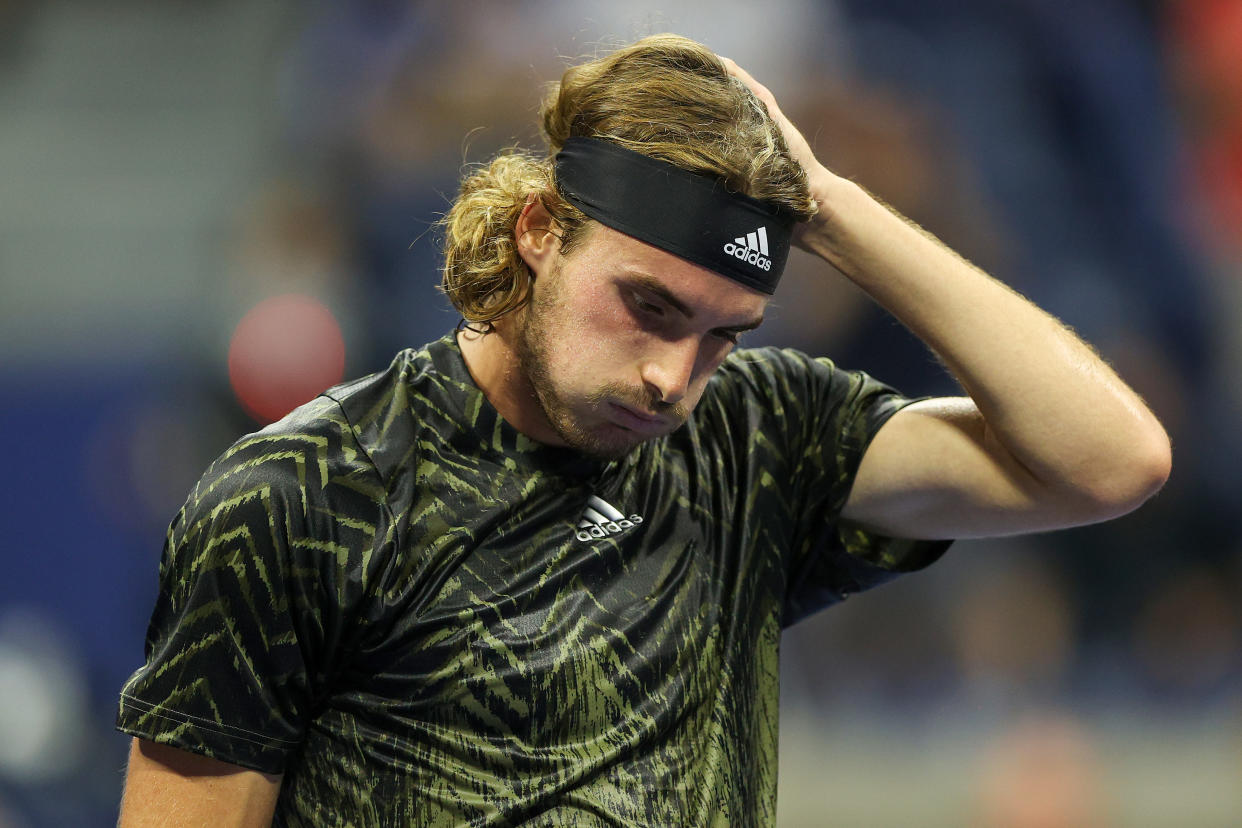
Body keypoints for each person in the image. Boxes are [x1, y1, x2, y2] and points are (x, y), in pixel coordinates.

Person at [114, 34, 1170, 827]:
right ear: (538, 233)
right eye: (649, 307)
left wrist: (833, 209)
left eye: (725, 333)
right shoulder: (296, 499)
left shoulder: (757, 441)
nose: (673, 378)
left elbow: (1110, 461)